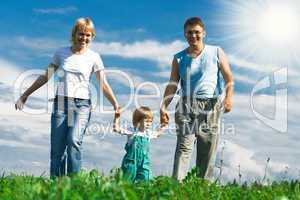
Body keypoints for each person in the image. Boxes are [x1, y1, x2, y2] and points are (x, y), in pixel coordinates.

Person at [15, 17, 120, 178]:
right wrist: (25, 94)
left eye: (88, 35)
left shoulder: (94, 57)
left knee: (74, 140)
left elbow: (103, 84)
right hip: (61, 104)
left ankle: (73, 184)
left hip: (82, 105)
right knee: (57, 148)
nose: (84, 38)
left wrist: (115, 105)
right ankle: (56, 185)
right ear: (74, 34)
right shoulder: (61, 53)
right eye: (81, 34)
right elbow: (46, 76)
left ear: (92, 37)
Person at [160, 17, 233, 181]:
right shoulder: (179, 58)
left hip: (210, 105)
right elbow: (172, 85)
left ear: (204, 33)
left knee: (206, 150)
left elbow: (229, 78)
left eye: (197, 32)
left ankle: (201, 190)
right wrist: (163, 107)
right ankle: (176, 187)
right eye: (189, 32)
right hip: (186, 105)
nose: (193, 36)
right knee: (183, 147)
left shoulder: (216, 52)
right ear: (185, 35)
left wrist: (228, 98)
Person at [114, 106, 165, 182]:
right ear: (138, 121)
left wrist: (164, 124)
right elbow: (116, 129)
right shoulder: (132, 131)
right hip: (131, 161)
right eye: (146, 121)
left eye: (150, 121)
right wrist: (117, 118)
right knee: (127, 180)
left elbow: (158, 134)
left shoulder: (148, 133)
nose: (149, 124)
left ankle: (143, 192)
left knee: (146, 179)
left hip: (144, 163)